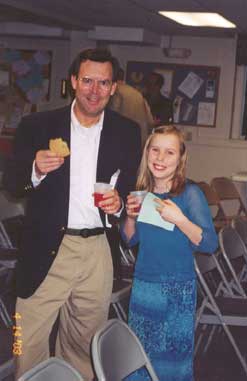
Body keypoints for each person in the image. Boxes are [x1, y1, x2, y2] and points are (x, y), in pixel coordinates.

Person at [3, 48, 141, 381]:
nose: (95, 91)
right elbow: (12, 183)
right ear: (74, 82)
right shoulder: (37, 125)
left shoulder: (127, 131)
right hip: (46, 247)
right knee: (28, 340)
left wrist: (119, 206)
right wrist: (35, 167)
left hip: (96, 251)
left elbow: (129, 190)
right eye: (88, 81)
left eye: (103, 83)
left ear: (113, 87)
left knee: (84, 344)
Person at [121, 125, 218, 381]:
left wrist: (180, 219)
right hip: (143, 287)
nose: (160, 158)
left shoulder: (190, 194)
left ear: (180, 158)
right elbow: (130, 239)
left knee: (171, 365)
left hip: (176, 290)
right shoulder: (143, 193)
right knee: (140, 360)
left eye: (169, 152)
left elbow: (209, 243)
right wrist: (130, 217)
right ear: (147, 153)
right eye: (155, 150)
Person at [108, 67, 154, 146]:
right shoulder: (137, 93)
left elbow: (111, 116)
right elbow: (150, 121)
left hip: (122, 139)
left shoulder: (116, 91)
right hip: (141, 139)